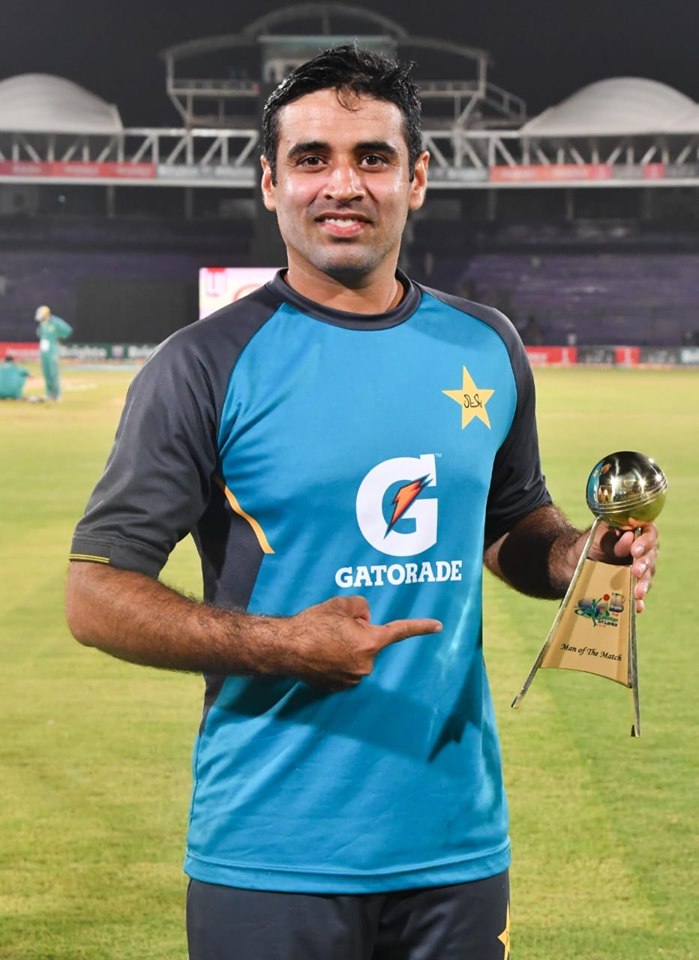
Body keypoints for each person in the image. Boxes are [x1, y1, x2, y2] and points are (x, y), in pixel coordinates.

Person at [65, 46, 659, 960]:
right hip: (271, 853)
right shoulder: (202, 365)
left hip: (455, 844)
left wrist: (576, 556)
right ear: (270, 183)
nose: (341, 185)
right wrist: (283, 646)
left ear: (416, 178)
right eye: (311, 160)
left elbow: (511, 523)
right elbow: (95, 593)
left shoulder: (485, 344)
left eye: (372, 158)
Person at [35, 305, 72, 400]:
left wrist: (59, 337)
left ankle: (57, 395)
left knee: (53, 372)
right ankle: (48, 393)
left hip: (52, 350)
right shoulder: (42, 324)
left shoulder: (55, 322)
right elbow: (40, 334)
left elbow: (68, 330)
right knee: (46, 372)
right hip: (44, 350)